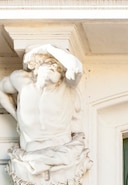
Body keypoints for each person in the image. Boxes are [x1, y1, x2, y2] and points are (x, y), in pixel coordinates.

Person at [0, 43, 85, 176]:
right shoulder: (22, 83)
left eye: (58, 68)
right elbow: (1, 90)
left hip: (60, 151)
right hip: (29, 152)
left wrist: (49, 49)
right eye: (49, 63)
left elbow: (76, 68)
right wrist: (15, 114)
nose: (53, 67)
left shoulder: (66, 88)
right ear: (37, 68)